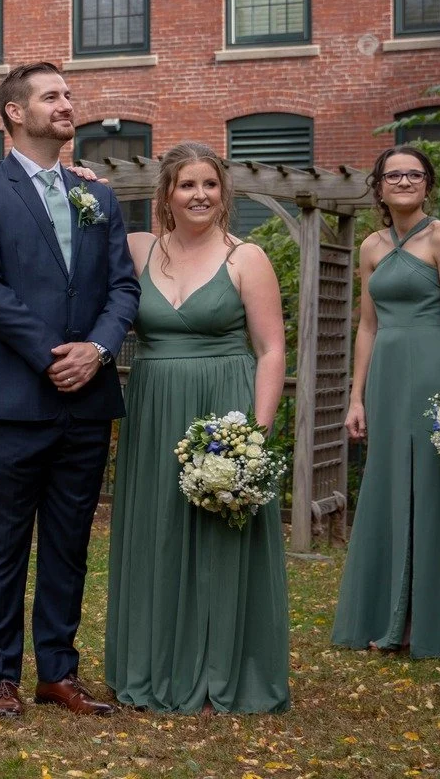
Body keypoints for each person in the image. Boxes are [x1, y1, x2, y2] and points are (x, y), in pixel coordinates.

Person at [0, 64, 136, 719]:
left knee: (68, 544)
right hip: (13, 398)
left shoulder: (96, 195)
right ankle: (0, 676)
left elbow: (123, 287)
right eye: (51, 95)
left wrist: (97, 350)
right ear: (13, 112)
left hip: (87, 400)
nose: (66, 104)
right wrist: (53, 355)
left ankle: (59, 672)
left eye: (68, 95)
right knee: (2, 546)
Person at [103, 141, 290, 715]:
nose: (199, 195)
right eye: (187, 184)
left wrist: (252, 439)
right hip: (153, 411)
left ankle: (218, 672)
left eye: (210, 184)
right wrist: (79, 180)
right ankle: (153, 664)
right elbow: (77, 228)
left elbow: (271, 350)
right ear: (166, 193)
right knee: (156, 532)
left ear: (223, 192)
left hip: (223, 411)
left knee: (218, 540)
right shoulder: (137, 249)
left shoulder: (246, 258)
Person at [331, 146, 440, 659]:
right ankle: (384, 615)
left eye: (414, 174)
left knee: (433, 489)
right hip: (386, 377)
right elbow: (367, 326)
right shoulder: (370, 246)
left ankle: (428, 622)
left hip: (432, 370)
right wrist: (356, 396)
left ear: (428, 184)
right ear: (379, 186)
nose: (403, 181)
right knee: (388, 486)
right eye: (393, 175)